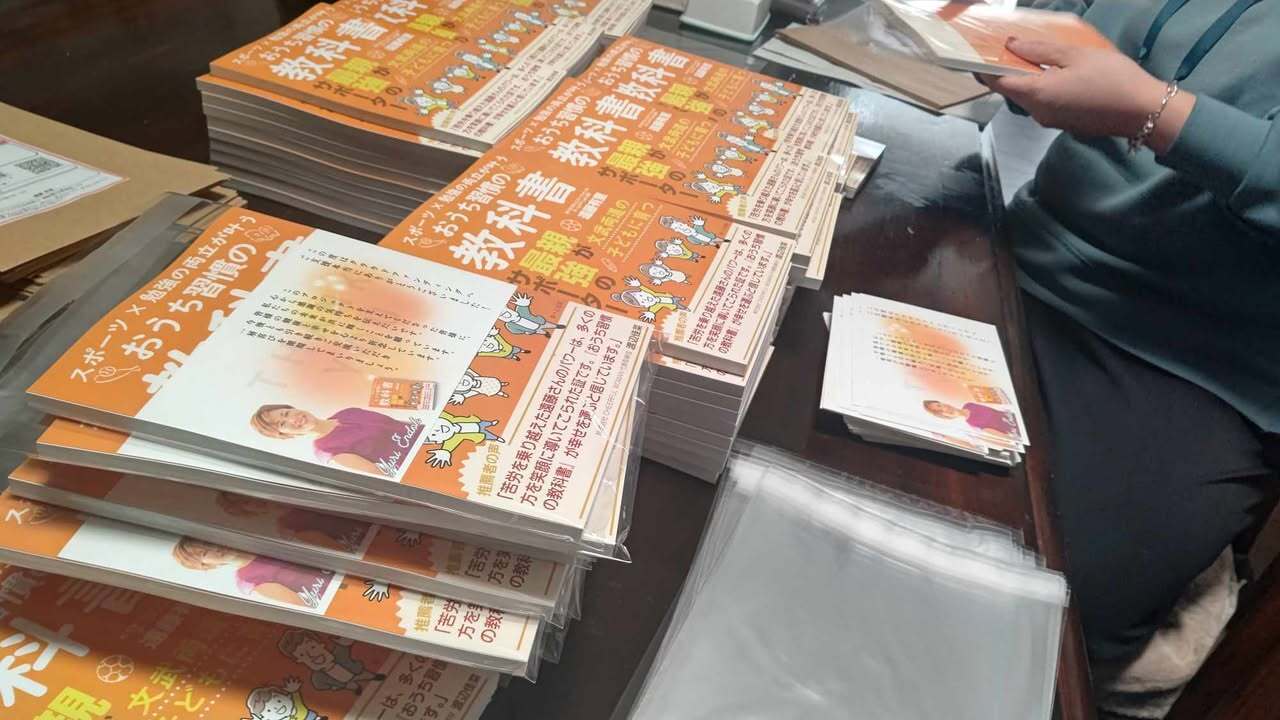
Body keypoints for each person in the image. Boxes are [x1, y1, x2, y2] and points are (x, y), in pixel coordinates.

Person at [976, 0, 1279, 676]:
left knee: (1036, 613)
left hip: (1196, 362)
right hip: (1025, 244)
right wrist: (1000, 41)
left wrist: (1152, 111)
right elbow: (1057, 41)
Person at [250, 405, 423, 474]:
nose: (292, 419)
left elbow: (397, 424)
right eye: (283, 424)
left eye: (286, 413)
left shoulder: (347, 412)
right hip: (422, 465)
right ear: (286, 435)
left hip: (433, 437)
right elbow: (381, 475)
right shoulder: (325, 450)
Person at [172, 537, 333, 608]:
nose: (215, 549)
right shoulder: (247, 579)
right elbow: (300, 604)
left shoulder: (260, 541)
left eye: (208, 542)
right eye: (204, 553)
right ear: (204, 565)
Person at [215, 492, 370, 554]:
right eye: (246, 502)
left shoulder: (298, 493)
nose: (254, 500)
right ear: (248, 511)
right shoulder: (287, 528)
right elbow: (341, 551)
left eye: (248, 495)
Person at [921, 399, 1022, 440]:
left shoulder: (969, 404)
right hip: (1012, 430)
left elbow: (997, 408)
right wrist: (1013, 438)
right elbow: (994, 433)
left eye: (939, 404)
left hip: (1014, 417)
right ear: (941, 414)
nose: (944, 407)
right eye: (939, 410)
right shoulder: (968, 424)